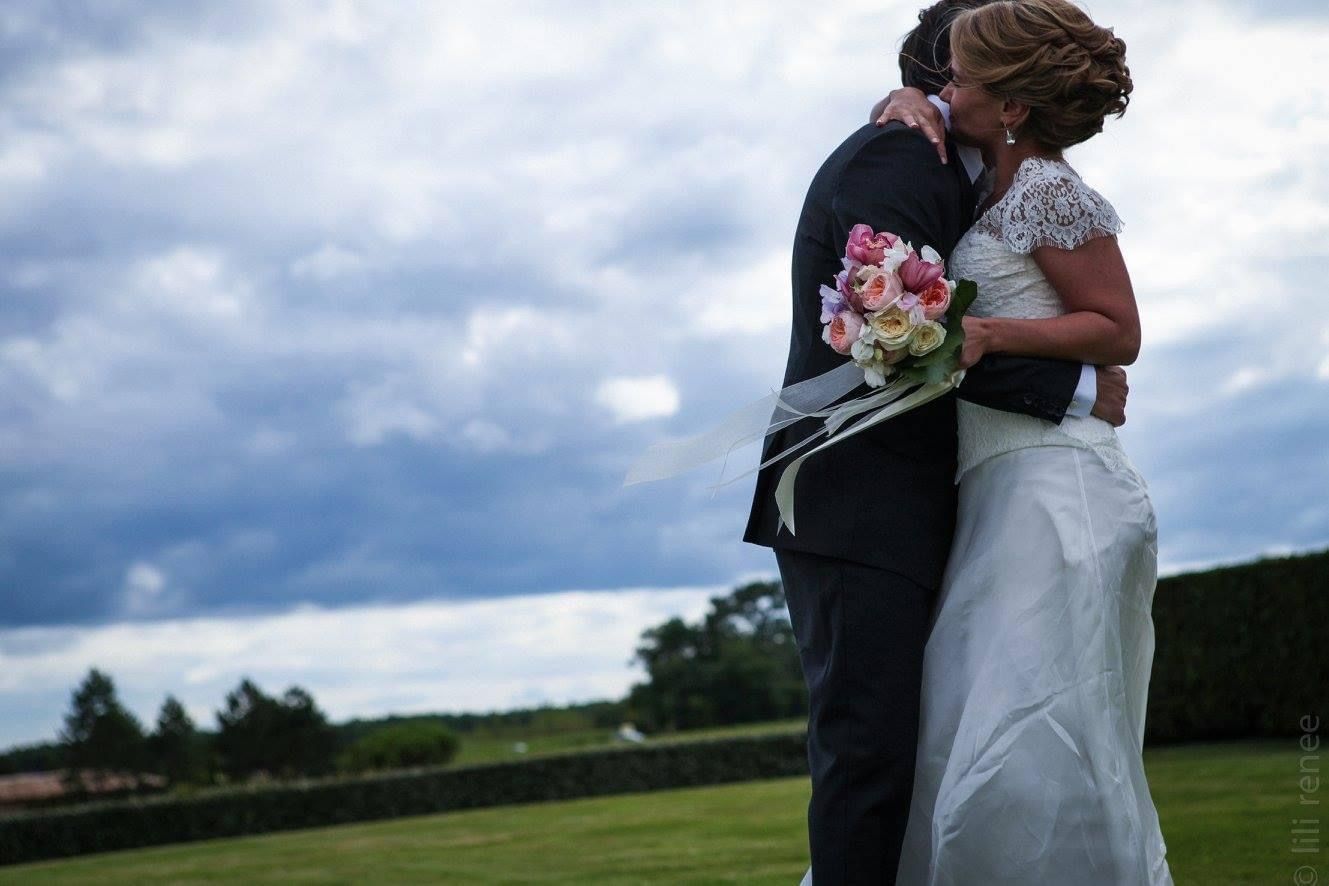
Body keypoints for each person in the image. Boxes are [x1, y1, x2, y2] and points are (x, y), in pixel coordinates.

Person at [740, 2, 1131, 881]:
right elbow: (891, 332)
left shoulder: (991, 174)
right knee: (867, 755)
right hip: (856, 502)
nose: (957, 85)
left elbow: (953, 321)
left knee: (944, 741)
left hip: (945, 496)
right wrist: (1070, 388)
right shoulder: (897, 153)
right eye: (950, 70)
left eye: (973, 72)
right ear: (939, 73)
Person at [872, 1, 1173, 882]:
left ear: (1008, 105)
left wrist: (990, 335)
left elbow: (1116, 331)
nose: (944, 88)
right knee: (970, 728)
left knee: (1038, 742)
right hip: (999, 489)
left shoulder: (1047, 189)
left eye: (958, 78)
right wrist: (901, 101)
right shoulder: (987, 185)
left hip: (1056, 495)